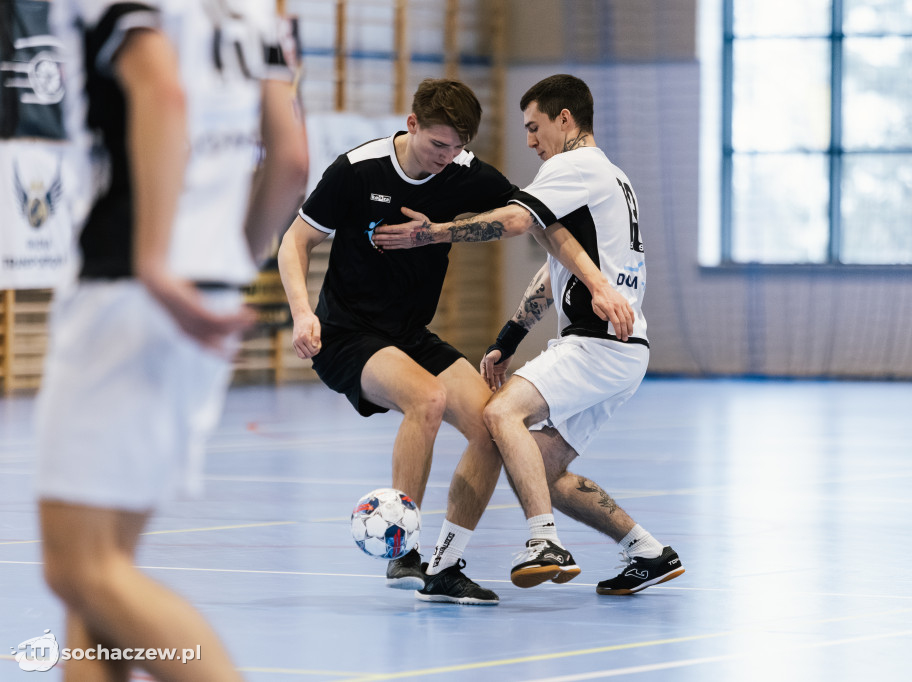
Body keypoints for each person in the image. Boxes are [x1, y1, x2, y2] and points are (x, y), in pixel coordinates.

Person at [36, 2, 308, 680]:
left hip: (130, 283)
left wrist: (156, 262)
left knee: (76, 567)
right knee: (103, 575)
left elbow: (161, 87)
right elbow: (291, 158)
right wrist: (226, 265)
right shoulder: (255, 10)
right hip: (203, 284)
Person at [372, 73, 684, 595]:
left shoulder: (572, 166)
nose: (530, 141)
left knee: (499, 415)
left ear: (565, 119)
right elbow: (554, 271)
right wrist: (509, 337)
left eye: (534, 127)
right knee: (539, 467)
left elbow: (516, 222)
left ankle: (543, 541)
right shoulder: (613, 176)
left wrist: (433, 234)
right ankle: (647, 551)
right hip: (627, 350)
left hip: (596, 344)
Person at [278, 78, 519, 605]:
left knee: (493, 426)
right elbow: (296, 240)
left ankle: (445, 564)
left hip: (410, 334)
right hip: (346, 335)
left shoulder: (461, 171)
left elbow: (519, 217)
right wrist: (301, 314)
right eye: (438, 144)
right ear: (412, 125)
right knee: (427, 398)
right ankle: (402, 550)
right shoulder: (357, 170)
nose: (446, 157)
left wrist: (438, 232)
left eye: (457, 147)